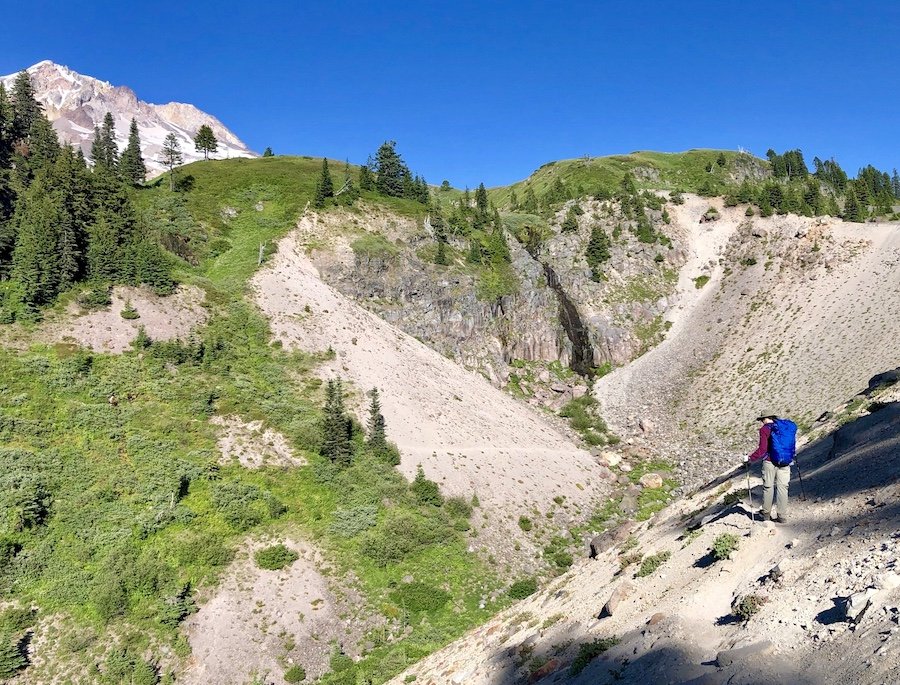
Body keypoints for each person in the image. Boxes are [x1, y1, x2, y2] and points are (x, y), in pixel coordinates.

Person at [743, 411, 794, 523]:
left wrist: (750, 458)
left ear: (765, 418)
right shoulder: (784, 427)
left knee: (768, 487)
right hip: (785, 461)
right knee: (783, 488)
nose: (762, 422)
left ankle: (766, 514)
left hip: (770, 462)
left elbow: (762, 449)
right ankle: (782, 515)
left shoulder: (764, 429)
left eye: (762, 420)